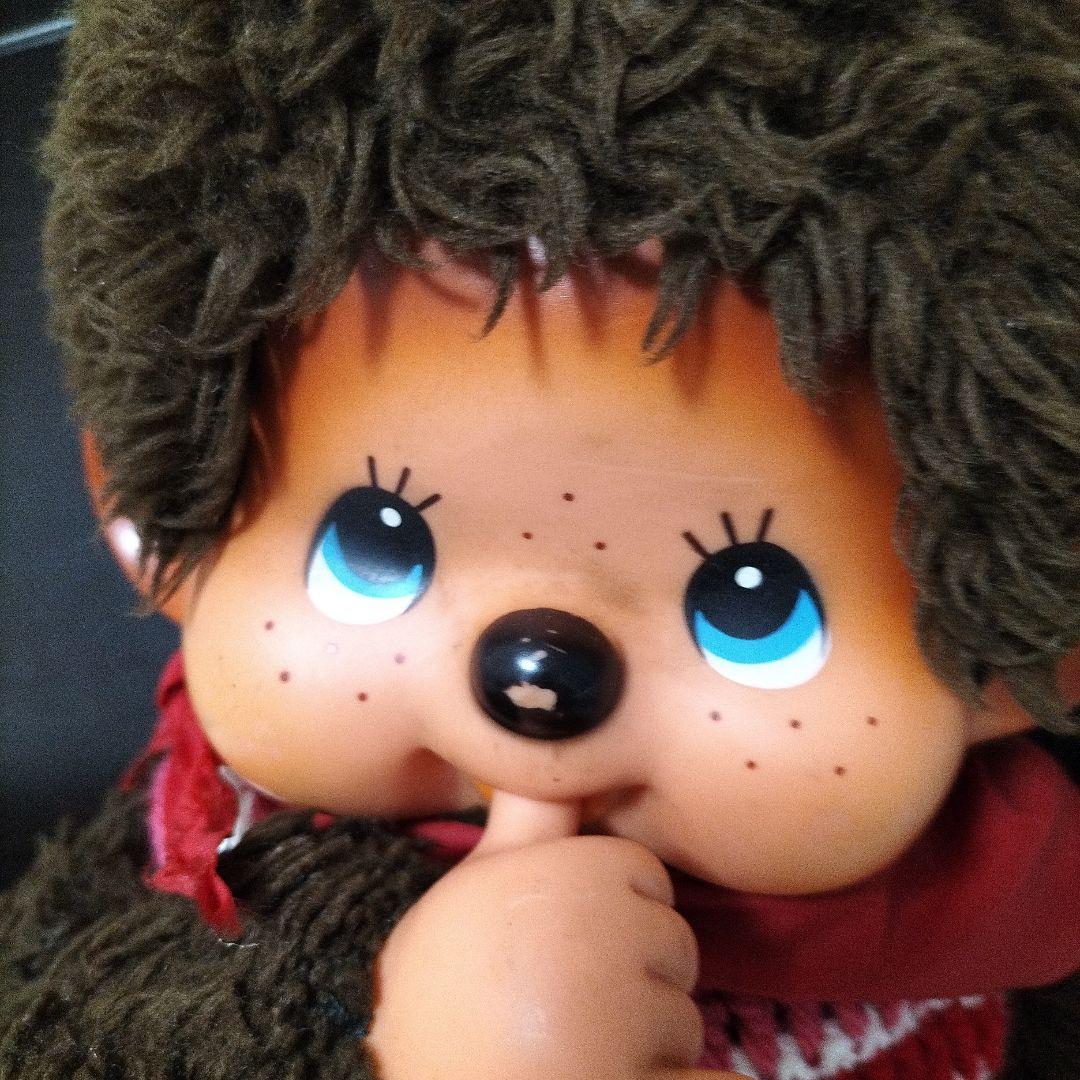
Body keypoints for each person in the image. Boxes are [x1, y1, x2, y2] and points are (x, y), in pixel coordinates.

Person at [2, 3, 1077, 1077]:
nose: (535, 672)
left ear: (1021, 655)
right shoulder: (214, 846)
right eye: (379, 544)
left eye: (750, 600)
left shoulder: (982, 913)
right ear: (164, 521)